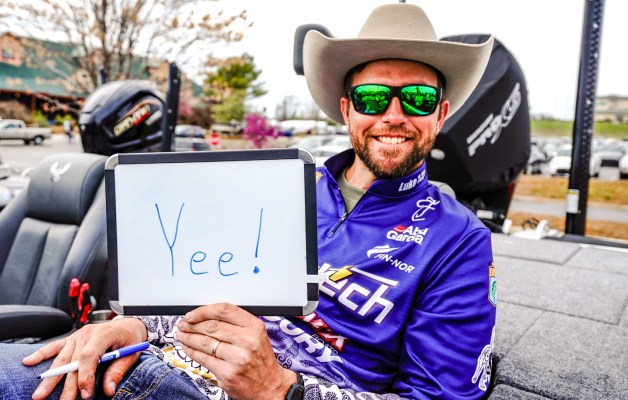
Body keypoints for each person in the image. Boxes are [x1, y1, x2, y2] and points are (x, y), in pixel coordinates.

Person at [0, 3, 496, 399]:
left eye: (418, 98)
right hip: (144, 361)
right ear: (347, 110)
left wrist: (281, 389)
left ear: (441, 114)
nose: (394, 114)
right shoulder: (279, 183)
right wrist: (134, 326)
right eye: (372, 98)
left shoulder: (459, 241)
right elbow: (199, 284)